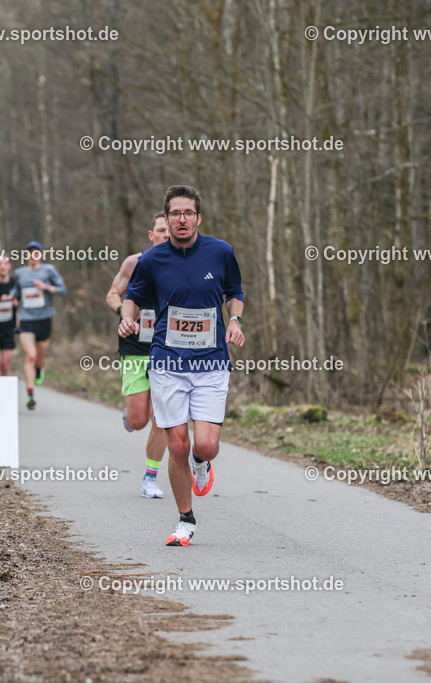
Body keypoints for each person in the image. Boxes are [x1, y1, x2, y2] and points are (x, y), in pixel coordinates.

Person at [119, 185, 244, 547]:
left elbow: (235, 293)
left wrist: (234, 322)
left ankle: (202, 464)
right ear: (167, 219)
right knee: (176, 444)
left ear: (198, 217)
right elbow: (132, 298)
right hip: (167, 364)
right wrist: (126, 319)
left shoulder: (221, 253)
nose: (182, 219)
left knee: (204, 445)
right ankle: (185, 520)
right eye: (175, 213)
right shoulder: (151, 260)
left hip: (210, 365)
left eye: (188, 213)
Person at [106, 212, 171, 498]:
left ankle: (150, 478)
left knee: (162, 419)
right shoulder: (134, 263)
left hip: (167, 351)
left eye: (170, 232)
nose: (166, 236)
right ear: (151, 235)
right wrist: (124, 314)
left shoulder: (183, 265)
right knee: (139, 420)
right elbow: (112, 293)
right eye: (161, 231)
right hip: (135, 349)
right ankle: (130, 416)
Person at [13, 241, 66, 410]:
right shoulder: (19, 273)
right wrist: (11, 299)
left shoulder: (48, 270)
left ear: (41, 255)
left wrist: (46, 287)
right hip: (26, 319)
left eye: (36, 252)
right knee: (30, 355)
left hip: (44, 319)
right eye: (29, 252)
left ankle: (39, 368)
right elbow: (16, 292)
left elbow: (62, 289)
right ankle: (30, 395)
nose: (32, 255)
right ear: (26, 255)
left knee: (39, 358)